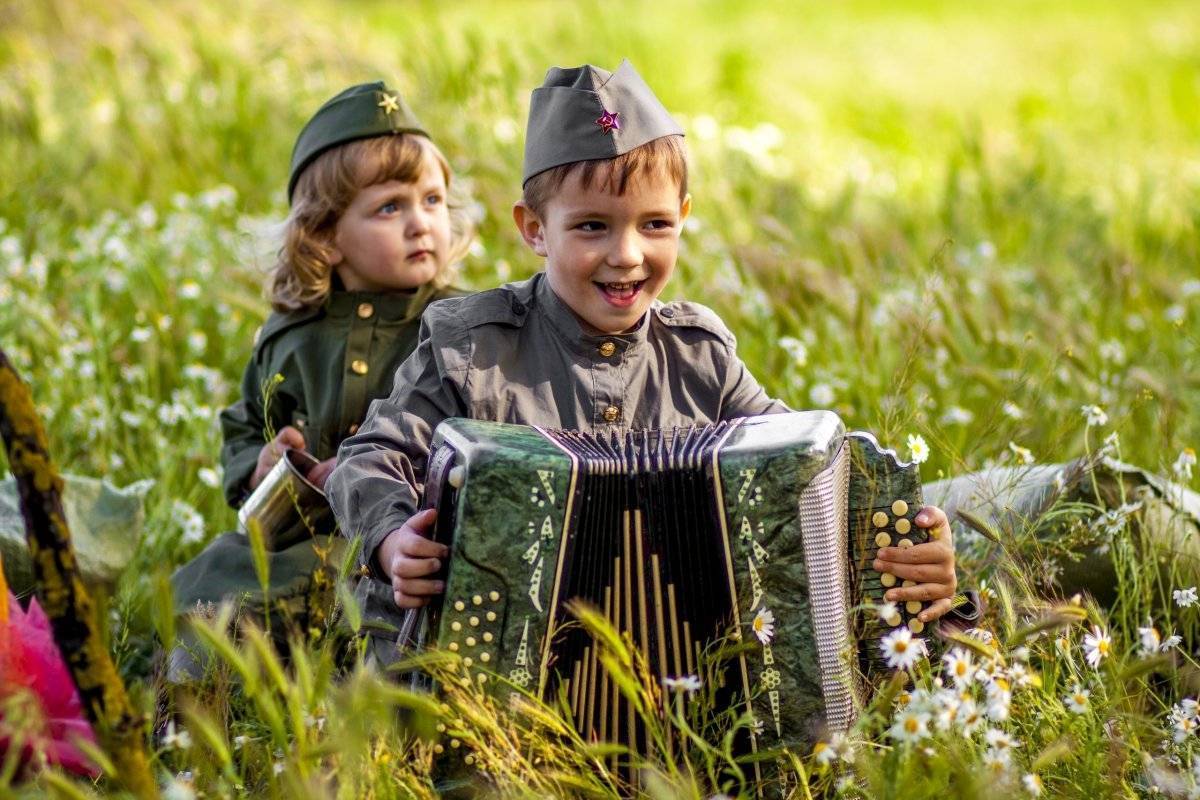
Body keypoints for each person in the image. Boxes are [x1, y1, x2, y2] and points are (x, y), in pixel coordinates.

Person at [326, 60, 958, 666]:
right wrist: (390, 541)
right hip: (489, 663)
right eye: (592, 227)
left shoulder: (701, 357)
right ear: (534, 229)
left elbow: (811, 477)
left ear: (683, 218)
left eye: (655, 225)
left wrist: (910, 543)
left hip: (680, 674)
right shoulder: (472, 347)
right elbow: (370, 457)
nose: (627, 255)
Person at [167, 81, 474, 681]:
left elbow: (479, 432)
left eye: (433, 201)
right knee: (215, 584)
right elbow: (244, 424)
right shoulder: (293, 335)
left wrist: (384, 469)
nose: (421, 224)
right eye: (391, 207)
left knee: (381, 620)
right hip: (304, 541)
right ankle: (197, 701)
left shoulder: (460, 328)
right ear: (327, 237)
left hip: (406, 544)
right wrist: (263, 464)